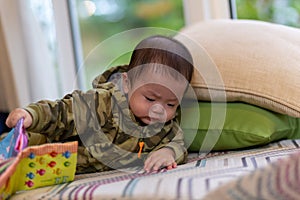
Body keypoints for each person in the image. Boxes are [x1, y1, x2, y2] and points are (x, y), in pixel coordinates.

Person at [5, 35, 194, 174]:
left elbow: (178, 143)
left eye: (171, 104)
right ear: (127, 84)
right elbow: (63, 111)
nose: (158, 110)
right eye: (150, 99)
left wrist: (168, 152)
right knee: (14, 149)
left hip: (56, 167)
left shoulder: (165, 127)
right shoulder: (103, 102)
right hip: (44, 140)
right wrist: (33, 115)